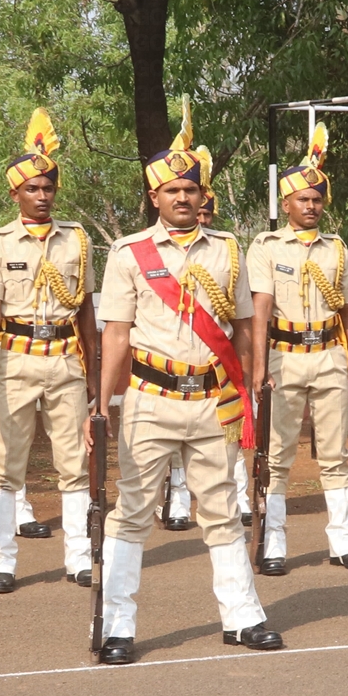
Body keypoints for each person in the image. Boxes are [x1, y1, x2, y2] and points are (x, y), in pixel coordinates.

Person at [94, 104, 280, 664]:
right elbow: (116, 335)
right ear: (154, 196)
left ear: (203, 195)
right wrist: (99, 404)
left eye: (190, 189)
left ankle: (242, 616)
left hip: (211, 399)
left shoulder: (227, 249)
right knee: (133, 511)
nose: (182, 198)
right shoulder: (129, 253)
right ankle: (117, 625)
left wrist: (247, 388)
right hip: (150, 400)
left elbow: (243, 326)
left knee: (222, 508)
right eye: (172, 190)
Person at [0, 109, 97, 591]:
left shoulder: (77, 240)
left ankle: (79, 558)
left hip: (65, 359)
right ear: (15, 194)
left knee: (74, 464)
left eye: (48, 188)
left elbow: (85, 310)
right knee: (5, 465)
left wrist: (93, 372)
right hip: (14, 360)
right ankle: (2, 561)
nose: (42, 196)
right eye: (32, 189)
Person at [247, 123, 348, 576]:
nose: (311, 206)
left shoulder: (337, 249)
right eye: (303, 199)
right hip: (283, 355)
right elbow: (260, 310)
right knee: (277, 454)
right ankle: (274, 543)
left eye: (317, 199)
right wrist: (259, 367)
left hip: (330, 354)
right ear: (286, 204)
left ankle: (343, 541)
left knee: (336, 454)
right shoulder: (265, 246)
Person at [165, 191, 254, 532]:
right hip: (176, 363)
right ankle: (178, 502)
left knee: (229, 434)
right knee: (176, 442)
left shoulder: (225, 251)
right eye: (198, 214)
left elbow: (240, 316)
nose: (200, 219)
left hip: (219, 364)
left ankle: (239, 498)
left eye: (207, 215)